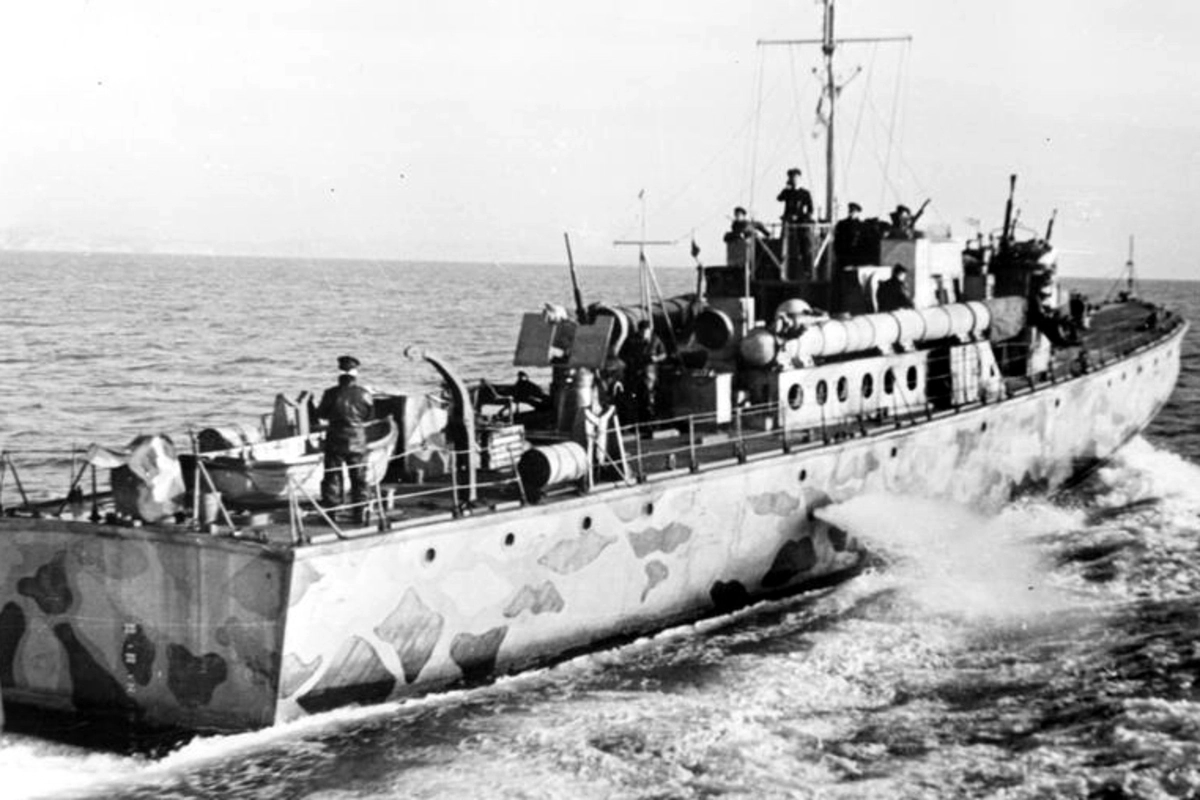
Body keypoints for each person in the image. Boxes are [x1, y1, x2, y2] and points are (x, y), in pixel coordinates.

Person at [315, 354, 375, 521]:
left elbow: (321, 414)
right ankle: (360, 512)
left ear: (339, 372)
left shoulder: (330, 393)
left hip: (335, 440)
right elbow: (369, 416)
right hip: (357, 441)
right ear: (356, 373)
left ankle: (332, 512)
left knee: (332, 477)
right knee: (359, 478)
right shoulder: (364, 394)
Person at [777, 169, 814, 277]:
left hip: (800, 223)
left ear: (799, 178)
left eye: (795, 177)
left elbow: (810, 209)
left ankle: (806, 269)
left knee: (804, 246)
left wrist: (801, 216)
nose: (794, 180)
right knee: (784, 246)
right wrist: (787, 188)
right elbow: (779, 198)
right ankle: (782, 270)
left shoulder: (805, 193)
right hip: (788, 222)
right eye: (791, 178)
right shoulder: (787, 192)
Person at [833, 201, 866, 267]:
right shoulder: (842, 224)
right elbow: (837, 240)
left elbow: (863, 242)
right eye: (851, 211)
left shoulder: (861, 226)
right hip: (843, 255)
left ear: (858, 213)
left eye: (854, 211)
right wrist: (837, 253)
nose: (852, 213)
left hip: (856, 256)